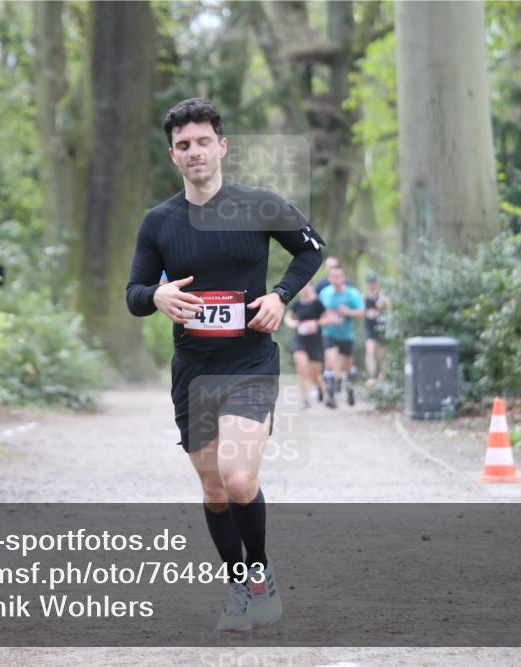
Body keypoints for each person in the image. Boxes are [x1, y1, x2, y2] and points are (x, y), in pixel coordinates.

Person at [126, 98, 324, 631]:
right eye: (184, 145)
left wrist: (281, 295)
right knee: (214, 490)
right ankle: (237, 581)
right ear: (173, 154)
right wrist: (156, 298)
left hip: (250, 362)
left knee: (238, 479)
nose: (195, 152)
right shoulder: (159, 222)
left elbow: (312, 250)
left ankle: (260, 574)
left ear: (222, 146)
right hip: (193, 372)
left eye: (203, 142)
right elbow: (135, 292)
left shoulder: (259, 204)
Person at [318, 265, 364, 408]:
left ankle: (350, 391)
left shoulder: (352, 293)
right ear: (329, 278)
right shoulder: (325, 293)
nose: (335, 279)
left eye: (338, 276)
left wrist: (348, 312)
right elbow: (318, 311)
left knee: (348, 366)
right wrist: (327, 318)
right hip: (329, 333)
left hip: (346, 335)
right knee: (330, 362)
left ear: (343, 278)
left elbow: (361, 312)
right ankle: (331, 396)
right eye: (332, 276)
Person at [283, 281, 328, 409]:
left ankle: (320, 386)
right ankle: (305, 399)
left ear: (311, 287)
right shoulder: (297, 305)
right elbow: (288, 317)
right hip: (301, 340)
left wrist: (316, 323)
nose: (304, 289)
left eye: (307, 286)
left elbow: (329, 318)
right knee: (301, 367)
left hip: (315, 342)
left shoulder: (318, 303)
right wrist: (292, 323)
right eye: (302, 286)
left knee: (314, 374)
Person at [362, 274, 390, 386]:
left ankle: (384, 375)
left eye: (373, 282)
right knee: (369, 351)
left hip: (381, 327)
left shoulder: (382, 295)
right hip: (369, 327)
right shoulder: (364, 296)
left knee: (383, 353)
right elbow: (360, 310)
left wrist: (384, 303)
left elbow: (389, 307)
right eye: (370, 283)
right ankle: (371, 376)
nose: (372, 285)